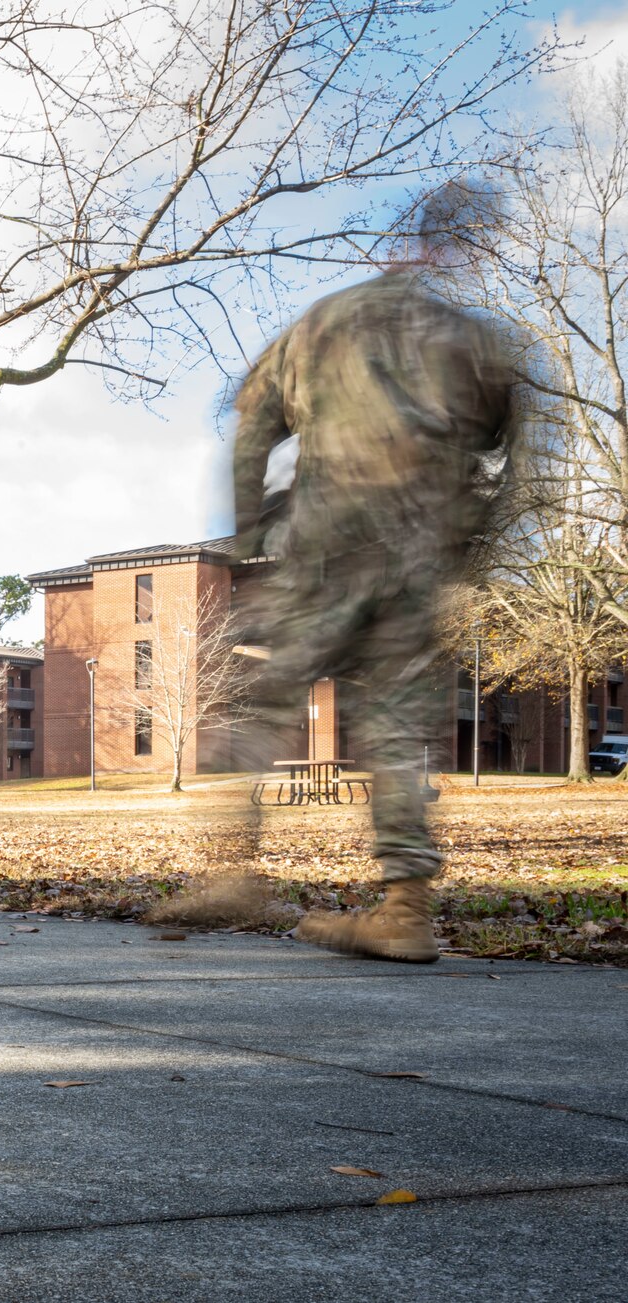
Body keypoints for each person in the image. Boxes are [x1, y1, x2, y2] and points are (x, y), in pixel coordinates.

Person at [228, 181, 515, 963]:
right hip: (418, 555)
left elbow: (252, 427)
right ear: (462, 255)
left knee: (273, 692)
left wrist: (251, 529)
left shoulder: (322, 324)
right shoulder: (475, 341)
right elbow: (515, 456)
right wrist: (474, 537)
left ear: (396, 248)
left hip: (329, 540)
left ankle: (231, 872)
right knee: (395, 724)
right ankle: (405, 905)